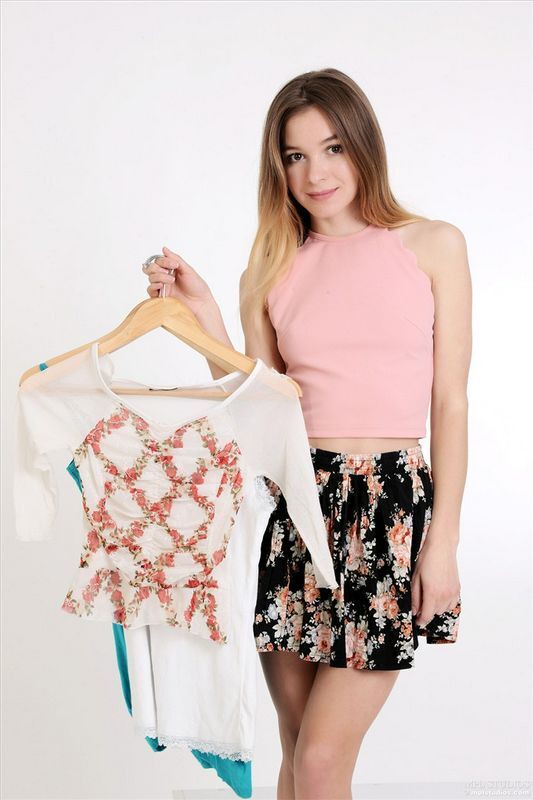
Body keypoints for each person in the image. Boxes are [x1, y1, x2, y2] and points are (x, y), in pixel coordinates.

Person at [143, 68, 471, 800]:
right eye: (295, 156)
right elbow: (261, 407)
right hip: (296, 504)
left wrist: (442, 543)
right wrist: (205, 318)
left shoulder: (432, 246)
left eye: (332, 148)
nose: (316, 173)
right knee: (297, 752)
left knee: (321, 760)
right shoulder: (270, 268)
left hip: (390, 505)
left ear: (362, 145)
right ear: (278, 168)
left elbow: (450, 403)